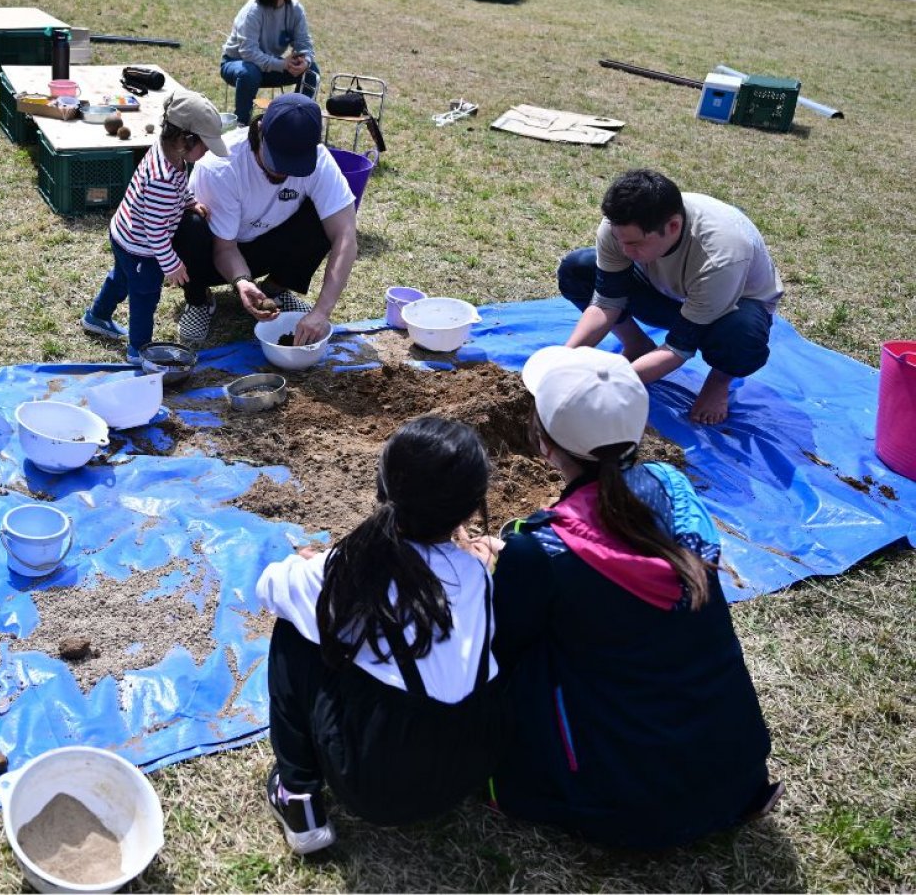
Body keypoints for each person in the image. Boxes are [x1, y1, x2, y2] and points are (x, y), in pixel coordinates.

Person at [490, 345, 779, 849]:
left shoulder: (541, 550)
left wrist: (499, 561)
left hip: (620, 807)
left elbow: (503, 644)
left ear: (544, 443)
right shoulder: (673, 487)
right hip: (735, 774)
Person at [257, 417, 508, 855]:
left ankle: (297, 797)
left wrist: (311, 564)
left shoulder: (349, 570)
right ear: (470, 510)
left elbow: (270, 589)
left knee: (294, 631)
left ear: (383, 486)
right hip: (469, 765)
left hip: (375, 782)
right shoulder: (476, 573)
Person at [558, 168, 785, 425]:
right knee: (578, 269)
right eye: (620, 241)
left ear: (673, 226)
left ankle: (719, 381)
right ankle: (637, 345)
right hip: (671, 294)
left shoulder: (721, 255)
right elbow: (606, 302)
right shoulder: (619, 226)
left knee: (740, 335)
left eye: (634, 244)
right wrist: (564, 358)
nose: (624, 249)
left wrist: (613, 382)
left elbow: (679, 347)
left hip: (731, 306)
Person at [171, 93, 359, 347]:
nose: (283, 172)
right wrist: (242, 281)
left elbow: (346, 236)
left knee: (328, 219)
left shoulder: (320, 160)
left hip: (264, 243)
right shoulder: (221, 164)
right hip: (215, 251)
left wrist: (321, 312)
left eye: (295, 165)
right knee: (190, 224)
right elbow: (224, 248)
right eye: (278, 160)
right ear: (260, 130)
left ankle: (274, 290)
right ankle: (198, 300)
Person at [80, 91, 231, 364]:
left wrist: (189, 202)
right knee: (145, 296)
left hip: (123, 232)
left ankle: (97, 316)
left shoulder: (169, 152)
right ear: (186, 139)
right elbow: (156, 231)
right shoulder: (162, 178)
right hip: (141, 247)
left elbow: (178, 189)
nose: (208, 150)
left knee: (121, 278)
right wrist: (171, 264)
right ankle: (138, 351)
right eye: (205, 144)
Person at [221, 0, 320, 127]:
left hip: (269, 66)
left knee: (312, 70)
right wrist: (282, 64)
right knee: (249, 72)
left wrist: (305, 60)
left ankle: (297, 124)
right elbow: (248, 53)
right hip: (238, 64)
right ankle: (241, 126)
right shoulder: (253, 11)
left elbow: (304, 44)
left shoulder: (295, 9)